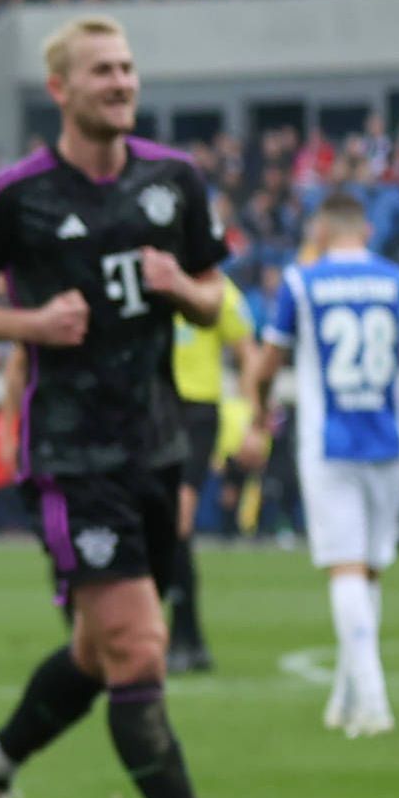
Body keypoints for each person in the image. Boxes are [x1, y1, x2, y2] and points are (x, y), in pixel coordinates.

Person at [0, 18, 271, 798]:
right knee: (136, 649)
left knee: (98, 653)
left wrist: (181, 287)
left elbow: (215, 300)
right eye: (102, 71)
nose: (121, 82)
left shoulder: (175, 181)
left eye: (127, 68)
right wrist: (30, 326)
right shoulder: (14, 197)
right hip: (73, 457)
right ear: (61, 89)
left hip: (159, 448)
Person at [237, 191, 399, 739]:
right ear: (365, 230)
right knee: (367, 569)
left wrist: (259, 412)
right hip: (389, 439)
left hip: (329, 442)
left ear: (321, 230)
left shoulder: (301, 282)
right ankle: (347, 695)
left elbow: (269, 361)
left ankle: (374, 700)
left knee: (345, 567)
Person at [161, 254, 256, 672]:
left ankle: (184, 635)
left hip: (197, 412)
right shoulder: (152, 284)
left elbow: (247, 355)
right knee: (159, 522)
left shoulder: (219, 291)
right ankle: (185, 638)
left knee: (178, 519)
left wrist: (253, 420)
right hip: (154, 409)